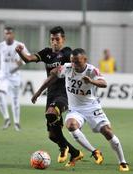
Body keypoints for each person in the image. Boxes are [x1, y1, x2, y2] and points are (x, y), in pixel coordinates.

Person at [31, 48, 129, 172]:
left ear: (85, 60)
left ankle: (122, 162)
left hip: (92, 107)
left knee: (107, 131)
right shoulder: (67, 68)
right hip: (75, 109)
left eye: (77, 62)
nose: (74, 65)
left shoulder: (91, 70)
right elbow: (54, 75)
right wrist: (39, 91)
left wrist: (91, 81)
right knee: (70, 125)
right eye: (72, 61)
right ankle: (94, 152)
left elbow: (104, 83)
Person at [15, 26, 93, 165]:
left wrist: (39, 91)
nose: (54, 42)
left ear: (63, 39)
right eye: (52, 39)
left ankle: (64, 148)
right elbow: (28, 59)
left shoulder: (67, 52)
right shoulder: (46, 53)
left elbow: (71, 67)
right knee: (52, 135)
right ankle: (74, 152)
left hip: (65, 93)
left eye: (57, 39)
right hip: (51, 94)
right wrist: (21, 52)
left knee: (51, 113)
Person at [0, 26, 29, 131]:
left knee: (15, 100)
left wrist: (20, 62)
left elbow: (29, 57)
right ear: (4, 35)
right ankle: (7, 118)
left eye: (10, 33)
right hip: (3, 76)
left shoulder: (20, 45)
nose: (8, 35)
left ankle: (17, 122)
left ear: (13, 34)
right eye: (6, 33)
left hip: (15, 76)